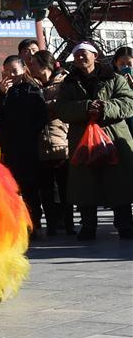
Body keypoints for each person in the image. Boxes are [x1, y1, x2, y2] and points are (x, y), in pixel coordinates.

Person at [55, 42, 133, 241]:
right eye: (77, 55)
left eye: (84, 54)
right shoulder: (69, 83)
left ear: (95, 55)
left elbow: (128, 103)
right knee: (84, 184)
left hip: (113, 137)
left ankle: (125, 224)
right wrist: (86, 108)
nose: (80, 58)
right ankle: (88, 226)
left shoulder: (115, 79)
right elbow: (62, 109)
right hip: (82, 139)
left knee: (119, 182)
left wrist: (104, 108)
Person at [0, 55, 48, 237]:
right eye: (7, 71)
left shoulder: (32, 89)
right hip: (8, 146)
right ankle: (15, 224)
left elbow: (41, 116)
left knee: (30, 187)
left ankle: (34, 223)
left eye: (14, 71)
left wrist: (30, 133)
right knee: (11, 188)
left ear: (23, 70)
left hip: (28, 146)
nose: (11, 75)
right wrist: (1, 94)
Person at [28, 50, 74, 235]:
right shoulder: (29, 85)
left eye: (34, 63)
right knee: (45, 189)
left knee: (64, 187)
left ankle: (69, 223)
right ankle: (52, 225)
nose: (30, 67)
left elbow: (64, 107)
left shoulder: (64, 82)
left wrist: (46, 107)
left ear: (45, 65)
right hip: (39, 142)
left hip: (61, 140)